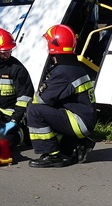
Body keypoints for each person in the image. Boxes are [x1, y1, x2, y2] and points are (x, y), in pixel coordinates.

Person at [24, 24, 97, 168]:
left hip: (78, 121)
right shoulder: (74, 66)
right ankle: (78, 143)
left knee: (34, 110)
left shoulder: (62, 71)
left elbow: (42, 100)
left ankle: (52, 155)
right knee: (49, 110)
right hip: (84, 119)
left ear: (53, 45)